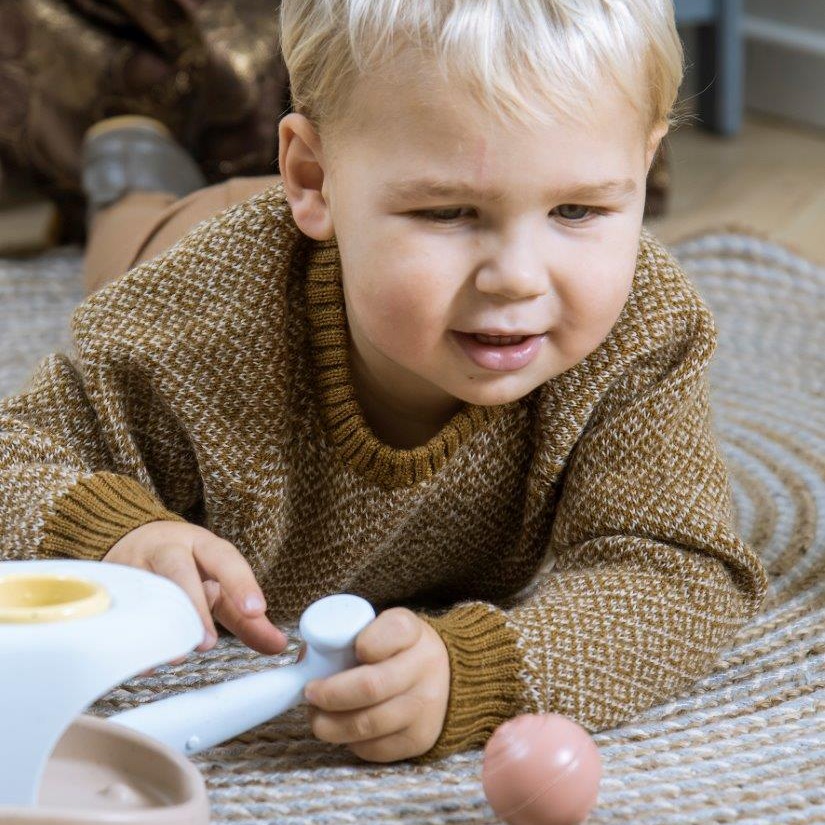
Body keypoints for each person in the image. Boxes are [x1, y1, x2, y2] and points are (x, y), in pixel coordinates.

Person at [0, 0, 767, 766]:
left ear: (641, 163)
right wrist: (117, 532)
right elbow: (17, 451)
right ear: (312, 176)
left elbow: (681, 572)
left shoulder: (646, 331)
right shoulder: (196, 312)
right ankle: (130, 184)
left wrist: (477, 672)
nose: (516, 278)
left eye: (577, 208)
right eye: (446, 212)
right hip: (193, 241)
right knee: (127, 244)